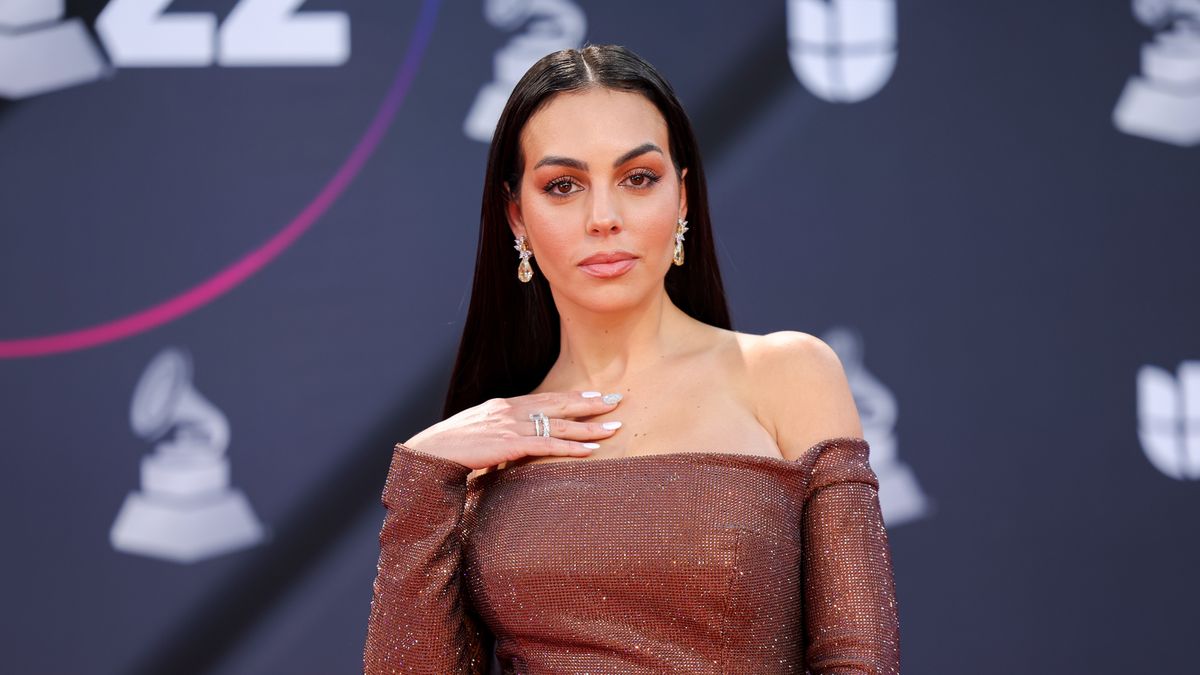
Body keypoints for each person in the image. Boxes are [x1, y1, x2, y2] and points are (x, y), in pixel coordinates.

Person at [363, 44, 900, 674]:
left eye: (637, 178)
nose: (604, 218)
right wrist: (425, 477)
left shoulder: (789, 375)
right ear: (517, 217)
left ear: (683, 197)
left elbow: (860, 659)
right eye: (563, 186)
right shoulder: (482, 454)